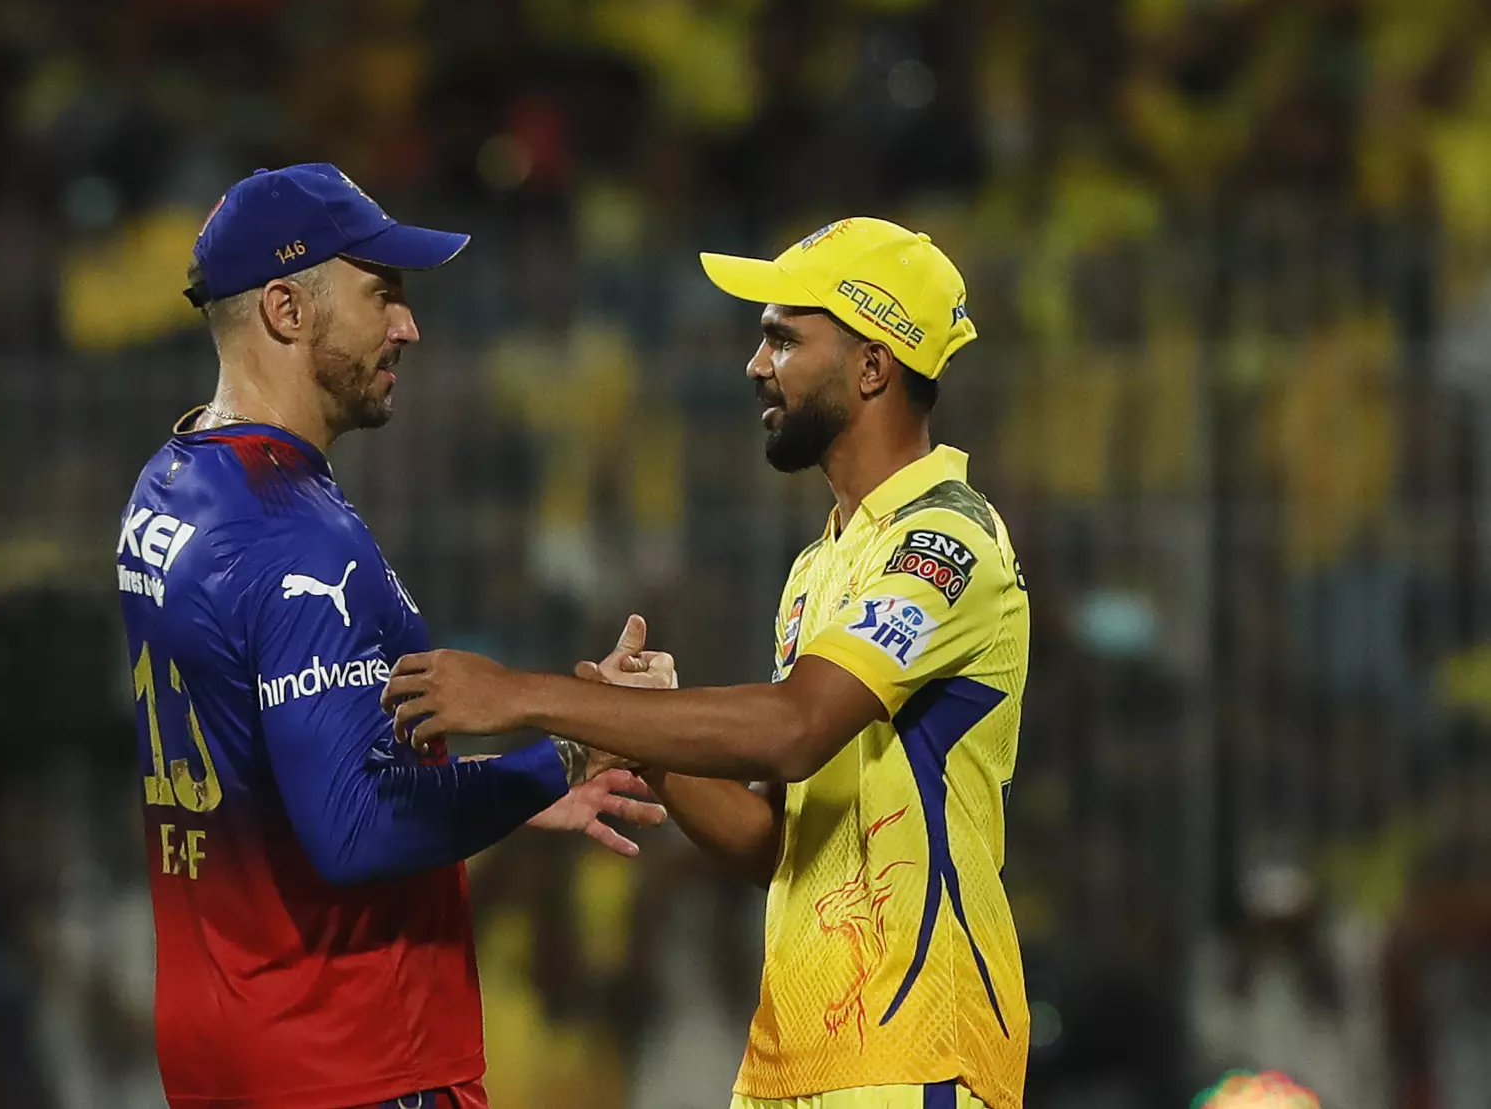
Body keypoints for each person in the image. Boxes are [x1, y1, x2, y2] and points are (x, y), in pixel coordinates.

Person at [383, 218, 1032, 1108]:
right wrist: (648, 740)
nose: (755, 366)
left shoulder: (947, 538)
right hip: (794, 1058)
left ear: (873, 366)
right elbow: (777, 841)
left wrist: (529, 697)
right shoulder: (822, 563)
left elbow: (793, 729)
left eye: (783, 339)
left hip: (914, 1052)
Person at [115, 163, 663, 1109]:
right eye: (382, 296)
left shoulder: (167, 483)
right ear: (286, 309)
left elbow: (281, 766)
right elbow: (353, 830)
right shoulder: (292, 533)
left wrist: (489, 797)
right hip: (351, 1054)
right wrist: (562, 757)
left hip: (230, 1042)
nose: (407, 326)